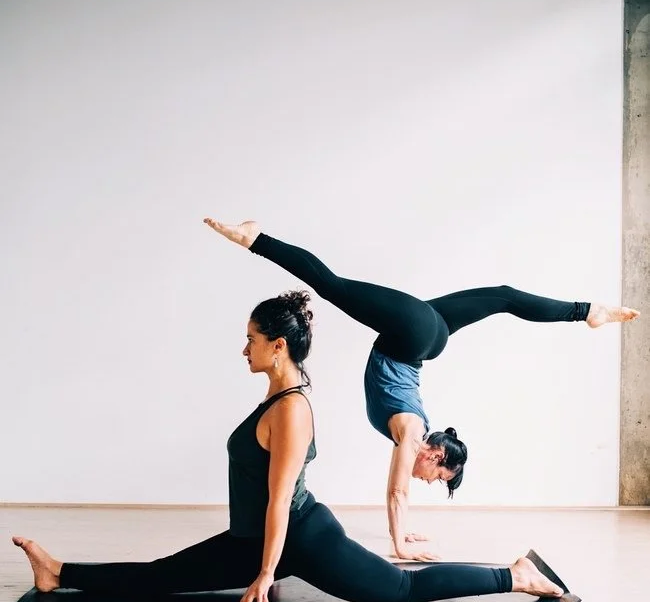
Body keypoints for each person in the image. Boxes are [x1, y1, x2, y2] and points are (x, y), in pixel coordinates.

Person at [13, 291, 564, 602]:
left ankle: (512, 575)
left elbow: (279, 501)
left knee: (398, 590)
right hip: (253, 538)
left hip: (300, 537)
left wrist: (267, 572)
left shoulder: (292, 410)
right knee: (162, 576)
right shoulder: (277, 394)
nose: (244, 347)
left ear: (277, 347)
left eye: (251, 338)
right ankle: (57, 572)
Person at [203, 218, 640, 562]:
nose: (427, 480)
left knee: (503, 295)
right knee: (330, 285)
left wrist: (403, 528)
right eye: (438, 476)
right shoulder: (412, 432)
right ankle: (254, 238)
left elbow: (400, 491)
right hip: (413, 334)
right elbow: (396, 492)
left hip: (428, 337)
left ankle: (589, 311)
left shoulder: (415, 426)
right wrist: (400, 544)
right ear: (435, 454)